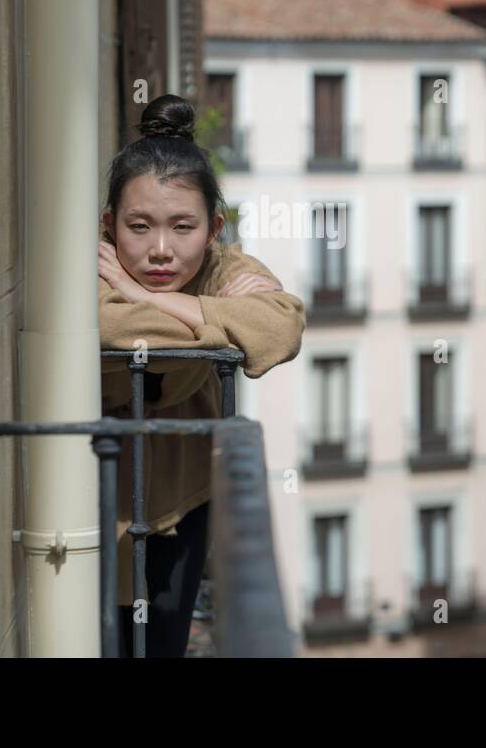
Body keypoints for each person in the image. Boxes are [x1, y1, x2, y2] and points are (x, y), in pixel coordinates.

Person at [97, 93, 305, 657]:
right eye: (139, 226)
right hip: (95, 511)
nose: (160, 250)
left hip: (185, 502)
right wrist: (222, 327)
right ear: (109, 224)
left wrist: (140, 295)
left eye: (182, 227)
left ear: (213, 229)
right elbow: (113, 329)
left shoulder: (221, 267)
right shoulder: (93, 270)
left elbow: (280, 326)